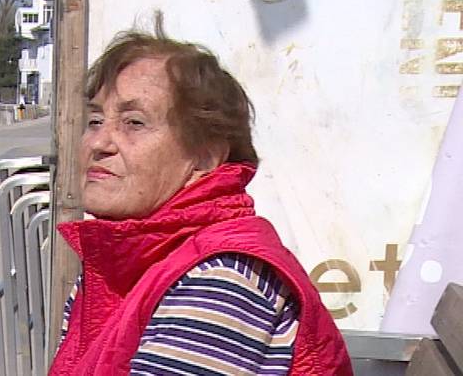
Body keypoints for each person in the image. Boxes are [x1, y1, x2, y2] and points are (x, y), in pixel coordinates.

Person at [50, 26, 352, 375]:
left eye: (134, 122)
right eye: (95, 120)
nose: (99, 142)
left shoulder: (221, 280)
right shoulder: (128, 259)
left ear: (206, 156)